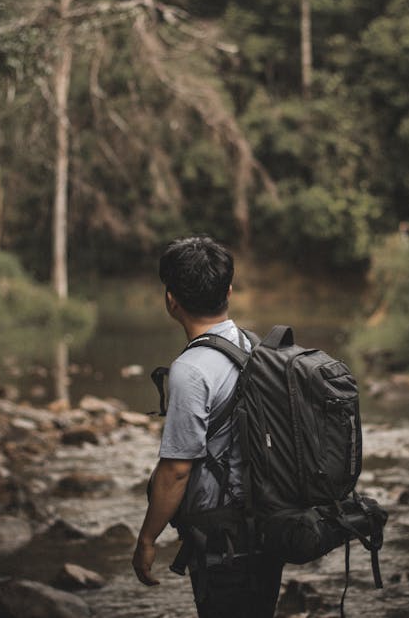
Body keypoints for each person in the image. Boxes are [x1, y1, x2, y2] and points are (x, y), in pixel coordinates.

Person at [132, 235, 283, 618]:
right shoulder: (251, 344)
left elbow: (177, 470)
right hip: (264, 527)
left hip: (223, 539)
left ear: (171, 300)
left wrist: (147, 539)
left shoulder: (191, 369)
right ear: (229, 291)